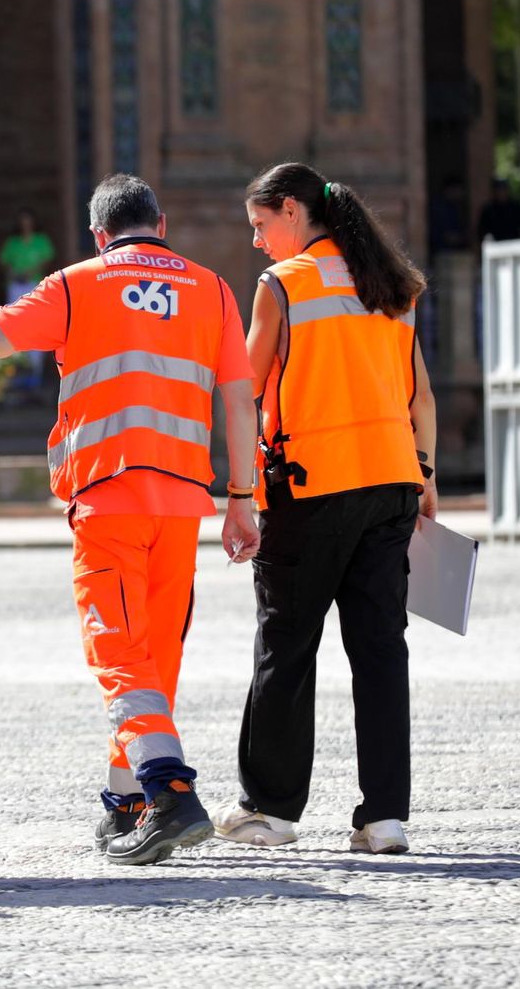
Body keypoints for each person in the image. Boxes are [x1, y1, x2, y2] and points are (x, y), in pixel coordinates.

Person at [0, 173, 260, 866]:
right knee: (154, 658)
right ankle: (126, 801)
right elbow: (238, 402)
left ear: (99, 234)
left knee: (119, 655)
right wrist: (242, 498)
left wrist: (51, 311)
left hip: (108, 498)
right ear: (161, 226)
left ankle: (171, 793)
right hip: (183, 503)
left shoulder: (76, 283)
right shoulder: (214, 289)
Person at [212, 162, 438, 856]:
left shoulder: (283, 285)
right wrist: (425, 476)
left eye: (260, 224)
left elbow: (245, 390)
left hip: (310, 488)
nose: (257, 241)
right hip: (393, 483)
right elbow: (421, 396)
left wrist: (238, 493)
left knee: (286, 644)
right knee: (381, 649)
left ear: (291, 210)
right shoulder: (390, 284)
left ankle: (271, 811)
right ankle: (385, 818)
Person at [0, 207, 57, 391]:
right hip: (16, 285)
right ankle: (15, 372)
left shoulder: (41, 240)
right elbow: (5, 262)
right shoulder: (13, 242)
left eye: (28, 220)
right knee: (13, 323)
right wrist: (14, 274)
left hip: (34, 284)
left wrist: (30, 272)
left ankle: (35, 374)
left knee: (36, 325)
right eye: (22, 221)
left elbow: (46, 259)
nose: (25, 224)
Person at [477, 177, 520, 243]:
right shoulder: (488, 209)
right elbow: (481, 231)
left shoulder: (516, 207)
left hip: (514, 244)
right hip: (495, 245)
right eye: (498, 190)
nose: (501, 193)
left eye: (503, 189)